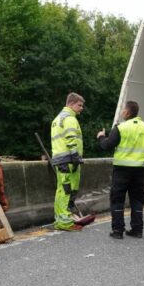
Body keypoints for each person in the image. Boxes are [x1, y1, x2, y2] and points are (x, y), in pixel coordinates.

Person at [97, 101, 144, 239]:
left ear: (127, 112)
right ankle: (137, 230)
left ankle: (118, 231)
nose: (121, 112)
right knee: (137, 199)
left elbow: (107, 145)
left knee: (117, 199)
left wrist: (101, 137)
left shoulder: (120, 128)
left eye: (123, 110)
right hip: (139, 170)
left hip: (121, 170)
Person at [51, 92, 86, 231]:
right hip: (69, 159)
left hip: (60, 159)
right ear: (71, 104)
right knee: (68, 190)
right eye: (79, 105)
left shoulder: (57, 119)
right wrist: (76, 155)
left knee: (61, 190)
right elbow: (71, 138)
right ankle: (65, 222)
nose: (81, 108)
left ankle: (60, 220)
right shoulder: (70, 118)